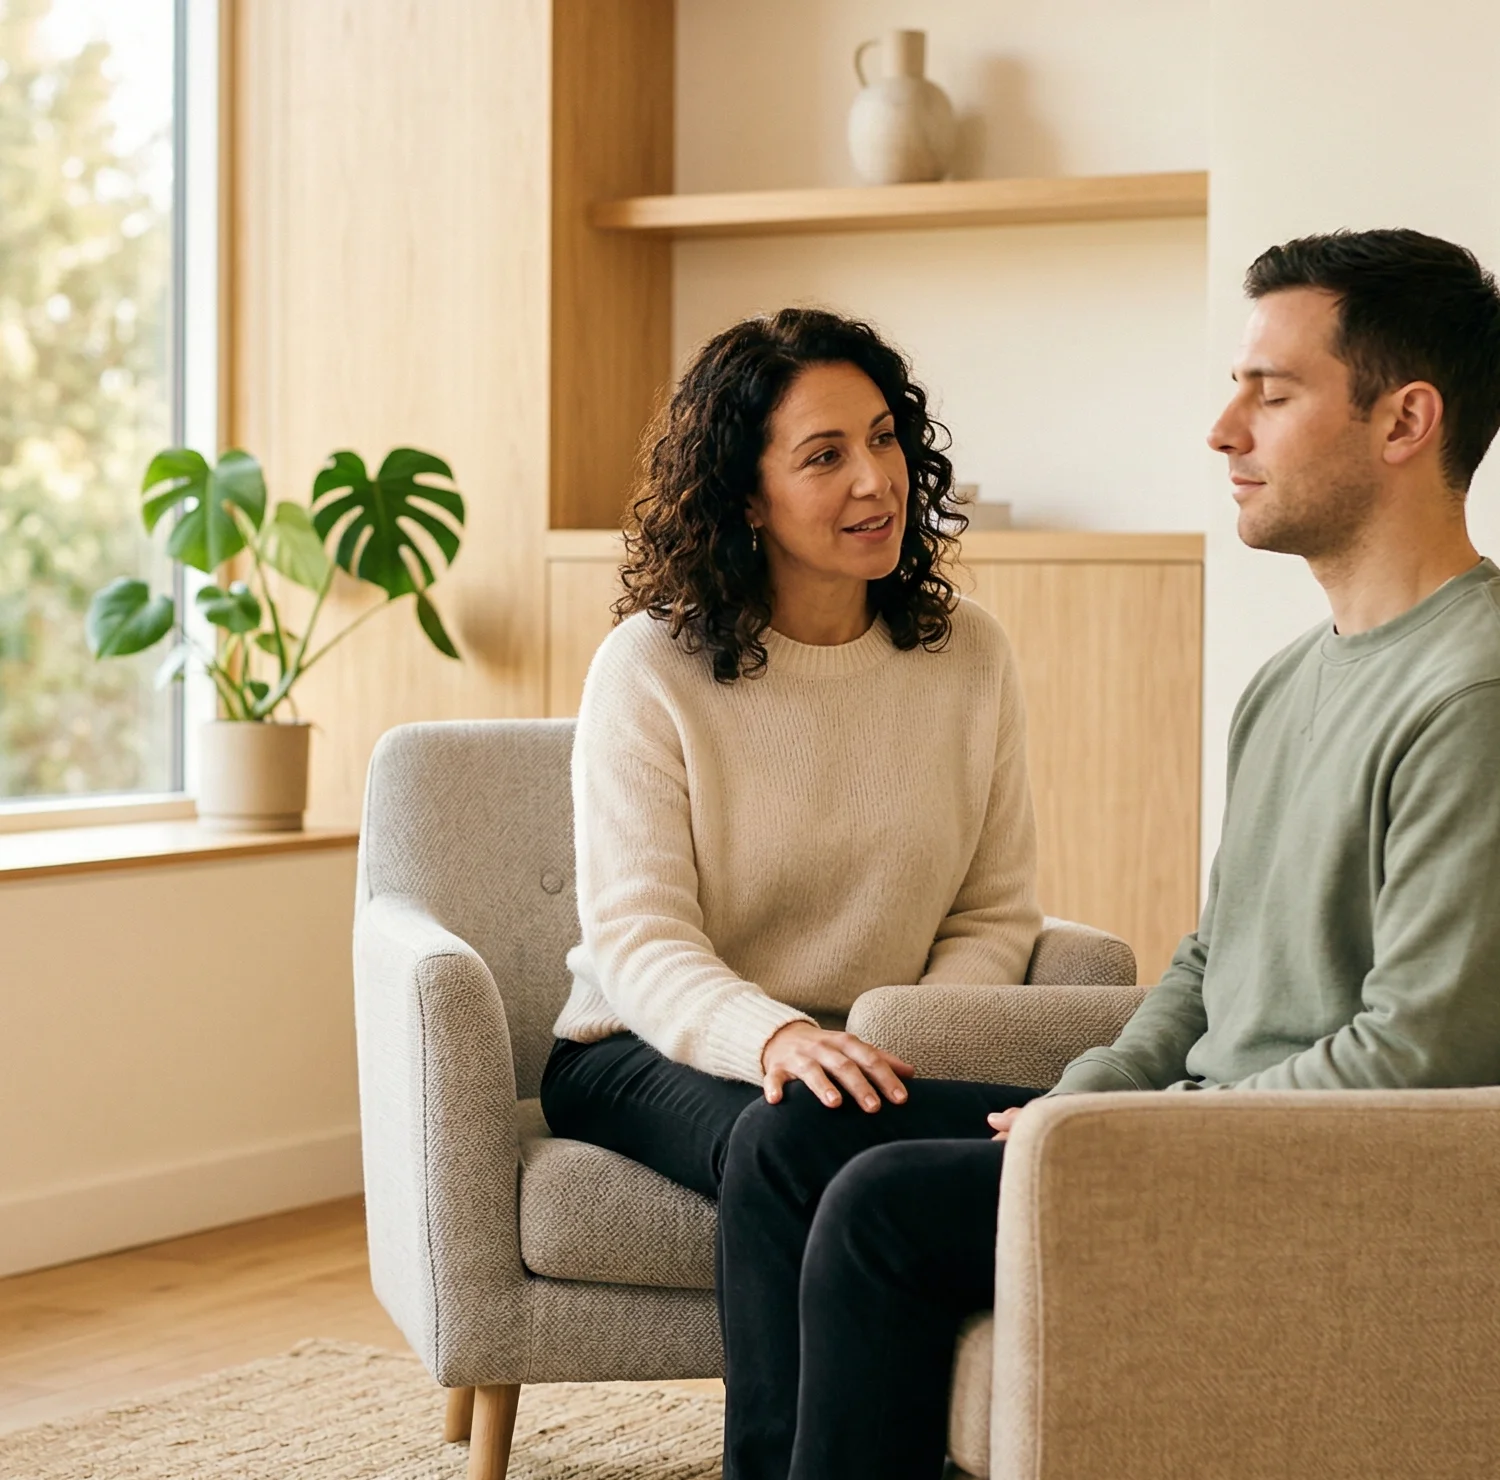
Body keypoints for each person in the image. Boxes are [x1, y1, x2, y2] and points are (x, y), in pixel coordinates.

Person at [716, 228, 1500, 1480]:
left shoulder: (1473, 691)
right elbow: (1207, 959)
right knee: (793, 1135)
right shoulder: (1290, 680)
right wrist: (1092, 1095)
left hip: (1317, 1178)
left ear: (1406, 420)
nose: (1223, 429)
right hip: (1192, 1136)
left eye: (1272, 391)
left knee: (880, 1213)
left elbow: (1422, 1051)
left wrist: (1139, 1137)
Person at [537, 309, 1048, 1473]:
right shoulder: (649, 668)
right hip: (645, 1042)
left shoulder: (971, 655)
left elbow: (993, 910)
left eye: (884, 440)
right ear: (747, 497)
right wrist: (775, 1037)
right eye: (824, 456)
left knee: (940, 1121)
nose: (875, 482)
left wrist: (887, 1040)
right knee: (790, 1130)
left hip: (873, 1053)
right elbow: (637, 935)